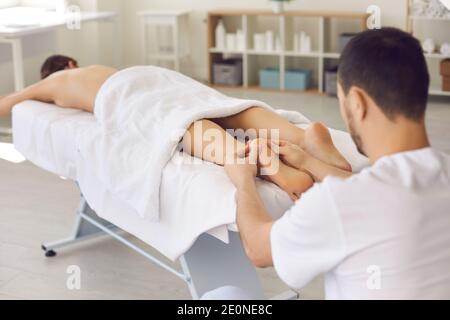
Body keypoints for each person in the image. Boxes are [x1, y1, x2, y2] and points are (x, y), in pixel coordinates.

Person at [223, 27, 450, 299]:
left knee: (224, 298)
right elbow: (380, 197)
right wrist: (308, 161)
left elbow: (258, 249)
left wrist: (242, 181)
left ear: (357, 103)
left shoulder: (338, 202)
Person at [0, 55, 351, 200]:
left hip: (122, 94)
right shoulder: (101, 66)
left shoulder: (55, 82)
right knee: (219, 109)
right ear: (73, 60)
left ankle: (247, 157)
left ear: (55, 71)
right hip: (153, 76)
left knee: (179, 124)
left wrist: (37, 92)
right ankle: (301, 137)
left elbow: (11, 100)